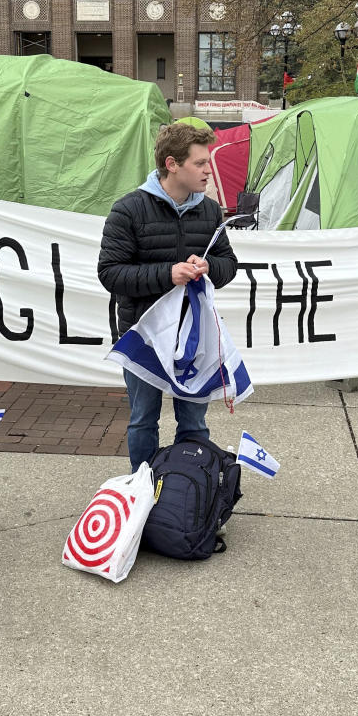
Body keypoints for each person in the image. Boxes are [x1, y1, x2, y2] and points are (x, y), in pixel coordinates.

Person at [98, 121, 238, 470]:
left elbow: (229, 265)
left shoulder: (208, 210)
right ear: (172, 164)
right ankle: (143, 494)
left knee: (194, 423)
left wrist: (210, 267)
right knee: (143, 420)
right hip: (143, 336)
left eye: (208, 161)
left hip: (192, 339)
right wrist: (167, 274)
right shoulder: (128, 209)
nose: (209, 170)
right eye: (200, 163)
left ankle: (189, 497)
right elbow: (110, 273)